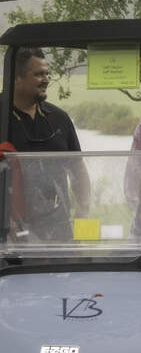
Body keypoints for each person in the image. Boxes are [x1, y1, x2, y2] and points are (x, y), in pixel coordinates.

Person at [7, 46, 89, 241]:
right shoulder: (2, 117)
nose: (46, 79)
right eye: (38, 74)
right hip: (11, 234)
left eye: (47, 74)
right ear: (16, 78)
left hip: (59, 230)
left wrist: (83, 211)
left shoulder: (59, 118)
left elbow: (78, 168)